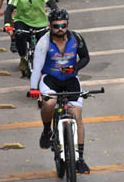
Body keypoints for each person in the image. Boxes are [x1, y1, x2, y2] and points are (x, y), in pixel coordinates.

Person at [28, 9, 91, 174]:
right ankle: (46, 129)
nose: (60, 29)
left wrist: (75, 67)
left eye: (63, 25)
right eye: (56, 26)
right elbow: (37, 68)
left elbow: (85, 57)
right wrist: (33, 88)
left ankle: (80, 159)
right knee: (49, 103)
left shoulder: (76, 38)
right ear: (50, 26)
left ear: (68, 24)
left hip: (71, 80)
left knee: (77, 115)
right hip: (51, 79)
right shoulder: (43, 42)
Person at [3, 0, 57, 76]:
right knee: (19, 34)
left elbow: (52, 5)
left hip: (39, 22)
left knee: (46, 42)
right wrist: (7, 25)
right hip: (22, 21)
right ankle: (23, 56)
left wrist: (55, 21)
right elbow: (9, 9)